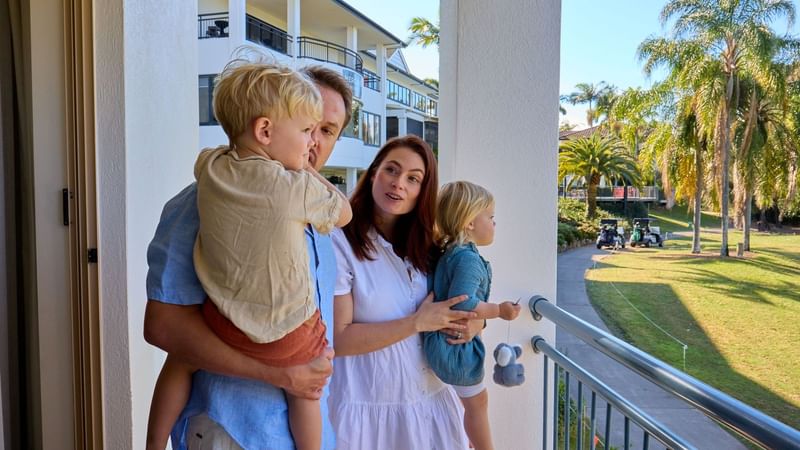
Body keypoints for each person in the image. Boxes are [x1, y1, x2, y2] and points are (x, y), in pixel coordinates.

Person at [143, 63, 353, 450]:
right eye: (307, 127)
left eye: (327, 130)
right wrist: (280, 375)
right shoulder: (202, 201)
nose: (314, 142)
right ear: (268, 127)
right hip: (230, 431)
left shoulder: (317, 220)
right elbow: (162, 326)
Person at [330, 135, 480, 449]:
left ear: (422, 192)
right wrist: (416, 322)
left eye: (413, 179)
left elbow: (459, 303)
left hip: (431, 405)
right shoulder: (340, 242)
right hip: (367, 416)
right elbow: (339, 339)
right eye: (391, 170)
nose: (399, 183)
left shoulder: (430, 246)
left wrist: (476, 323)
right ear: (373, 173)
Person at [422, 181, 521, 450]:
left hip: (445, 343)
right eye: (490, 217)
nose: (494, 224)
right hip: (454, 348)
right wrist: (500, 310)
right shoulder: (466, 259)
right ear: (469, 223)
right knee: (477, 403)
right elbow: (465, 304)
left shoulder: (452, 253)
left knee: (469, 403)